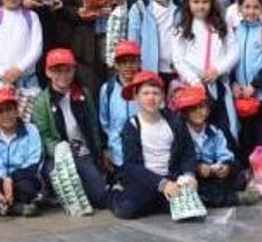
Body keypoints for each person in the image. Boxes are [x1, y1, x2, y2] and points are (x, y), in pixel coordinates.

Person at [110, 71, 197, 220]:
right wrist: (161, 184)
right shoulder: (131, 126)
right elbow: (131, 165)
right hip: (145, 181)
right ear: (136, 97)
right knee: (126, 210)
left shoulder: (175, 121)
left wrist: (189, 175)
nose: (151, 98)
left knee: (193, 207)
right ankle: (115, 191)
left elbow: (188, 152)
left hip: (172, 178)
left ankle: (158, 203)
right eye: (146, 93)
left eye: (156, 93)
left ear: (162, 96)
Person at [31, 48, 109, 209]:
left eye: (68, 70)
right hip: (58, 156)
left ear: (74, 71)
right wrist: (59, 149)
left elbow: (93, 125)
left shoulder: (83, 94)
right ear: (48, 72)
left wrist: (100, 150)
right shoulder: (41, 102)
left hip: (82, 152)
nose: (63, 76)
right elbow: (42, 135)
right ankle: (53, 192)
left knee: (100, 197)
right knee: (66, 183)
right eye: (57, 71)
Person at [172, 0, 239, 143]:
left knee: (226, 127)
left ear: (212, 2)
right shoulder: (182, 29)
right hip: (194, 88)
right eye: (196, 2)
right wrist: (194, 81)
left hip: (218, 86)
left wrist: (218, 70)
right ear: (188, 3)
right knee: (196, 130)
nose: (201, 6)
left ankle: (228, 162)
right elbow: (178, 59)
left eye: (205, 1)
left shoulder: (221, 26)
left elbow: (234, 51)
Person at [173, 86, 257, 207]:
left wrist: (225, 167)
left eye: (202, 107)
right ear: (185, 113)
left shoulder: (215, 131)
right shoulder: (180, 132)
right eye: (193, 109)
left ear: (208, 109)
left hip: (213, 173)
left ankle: (223, 194)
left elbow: (225, 154)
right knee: (200, 191)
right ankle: (234, 198)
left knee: (237, 177)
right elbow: (178, 162)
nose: (199, 112)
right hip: (192, 176)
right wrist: (197, 168)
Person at [0, 88, 45, 217]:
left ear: (17, 111)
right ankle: (13, 206)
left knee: (27, 188)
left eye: (9, 109)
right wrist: (5, 180)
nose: (6, 115)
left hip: (23, 177)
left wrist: (11, 179)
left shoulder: (31, 130)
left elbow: (33, 161)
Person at [232, 0, 262, 158]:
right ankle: (244, 172)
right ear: (239, 8)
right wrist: (233, 84)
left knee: (260, 137)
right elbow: (228, 61)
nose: (251, 11)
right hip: (239, 95)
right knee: (243, 136)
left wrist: (254, 85)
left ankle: (261, 175)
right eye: (247, 7)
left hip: (260, 96)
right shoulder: (232, 32)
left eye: (256, 7)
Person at [128, 0, 180, 79]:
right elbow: (133, 43)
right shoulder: (139, 8)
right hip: (150, 70)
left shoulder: (181, 4)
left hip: (179, 70)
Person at [99, 41, 141, 174]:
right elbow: (103, 121)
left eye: (132, 61)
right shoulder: (108, 89)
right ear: (116, 64)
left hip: (143, 153)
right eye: (123, 62)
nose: (128, 66)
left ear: (139, 63)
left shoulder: (146, 88)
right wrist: (106, 148)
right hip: (118, 153)